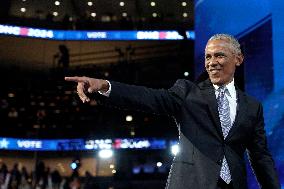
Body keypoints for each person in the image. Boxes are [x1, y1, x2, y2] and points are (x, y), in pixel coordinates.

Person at [65, 34, 280, 189]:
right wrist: (105, 85)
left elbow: (260, 156)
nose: (212, 63)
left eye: (219, 56)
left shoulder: (253, 106)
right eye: (208, 57)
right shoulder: (187, 91)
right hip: (189, 183)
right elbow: (150, 98)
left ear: (238, 59)